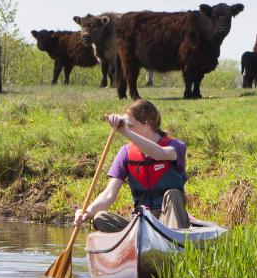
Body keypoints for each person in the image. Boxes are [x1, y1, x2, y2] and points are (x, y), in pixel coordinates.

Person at [74, 99, 192, 230]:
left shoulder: (176, 146)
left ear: (148, 123)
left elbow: (160, 154)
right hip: (141, 220)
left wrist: (125, 131)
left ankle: (173, 238)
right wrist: (86, 212)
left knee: (173, 194)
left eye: (130, 126)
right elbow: (109, 194)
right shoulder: (125, 152)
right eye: (126, 126)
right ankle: (134, 237)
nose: (126, 130)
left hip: (169, 220)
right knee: (100, 218)